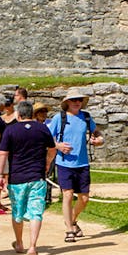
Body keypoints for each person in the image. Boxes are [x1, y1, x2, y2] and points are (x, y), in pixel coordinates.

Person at [0, 101, 57, 255]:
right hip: (37, 176)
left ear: (18, 115)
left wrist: (0, 174)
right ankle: (32, 246)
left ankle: (19, 242)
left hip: (17, 178)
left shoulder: (10, 130)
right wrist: (47, 162)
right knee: (36, 212)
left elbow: (2, 154)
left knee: (18, 212)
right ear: (32, 114)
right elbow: (52, 149)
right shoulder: (42, 128)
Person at [47, 89, 103, 243]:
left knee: (84, 198)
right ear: (67, 103)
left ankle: (71, 220)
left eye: (79, 99)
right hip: (64, 162)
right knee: (68, 194)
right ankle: (69, 230)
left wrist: (99, 140)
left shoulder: (85, 117)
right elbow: (46, 137)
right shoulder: (59, 118)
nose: (77, 102)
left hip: (83, 163)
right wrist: (58, 146)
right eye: (73, 100)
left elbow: (96, 132)